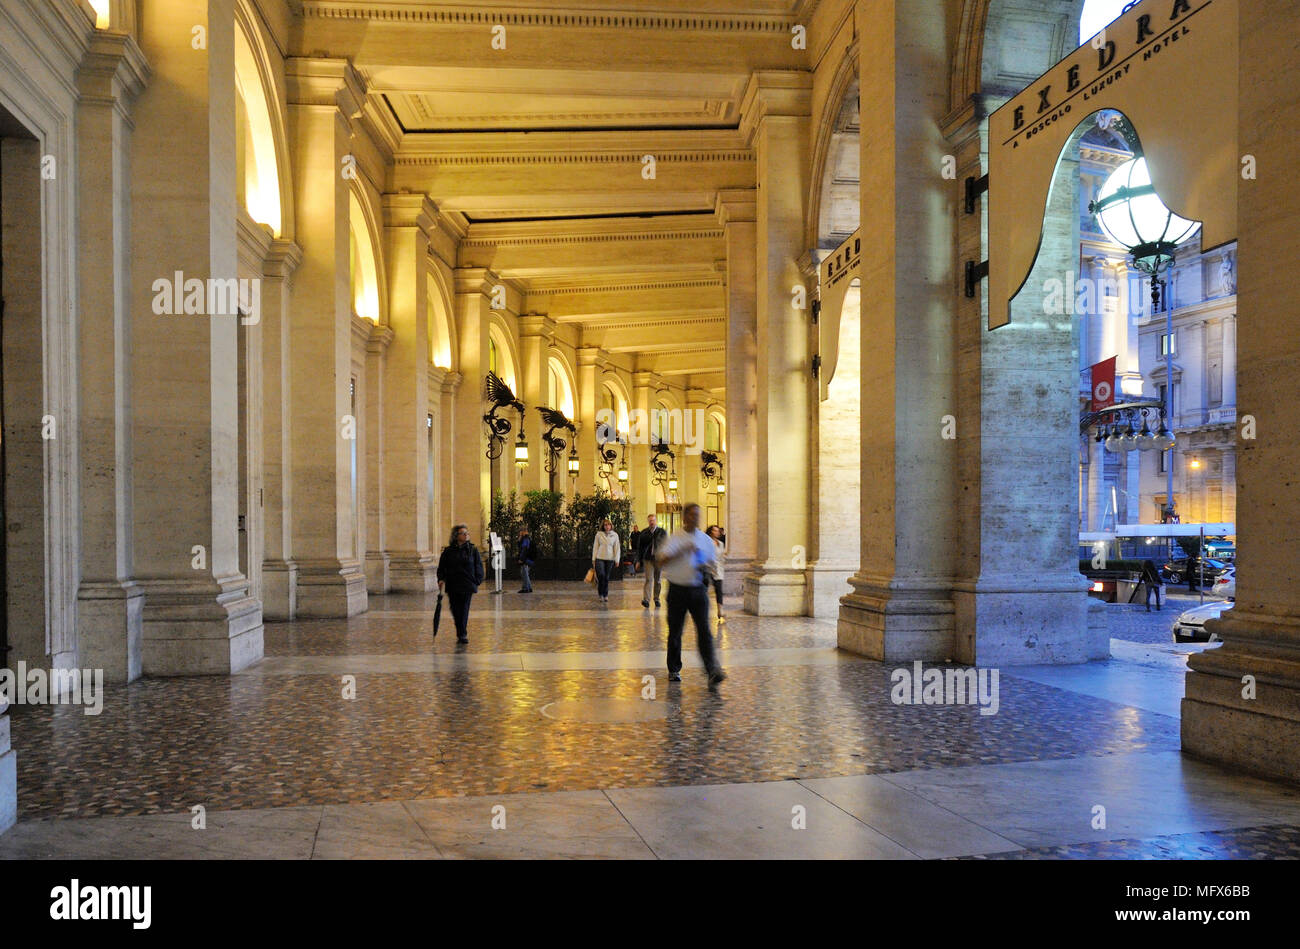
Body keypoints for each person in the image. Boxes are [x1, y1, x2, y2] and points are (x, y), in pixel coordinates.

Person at [656, 503, 725, 689]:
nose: (696, 519)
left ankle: (712, 670)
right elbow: (661, 561)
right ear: (685, 517)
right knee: (676, 632)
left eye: (698, 515)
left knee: (704, 631)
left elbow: (712, 563)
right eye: (693, 515)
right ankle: (674, 669)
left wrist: (704, 564)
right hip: (677, 590)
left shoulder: (705, 539)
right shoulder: (675, 538)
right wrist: (681, 552)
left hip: (698, 590)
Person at [437, 524, 484, 643]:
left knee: (464, 609)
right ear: (456, 536)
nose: (466, 535)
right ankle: (460, 630)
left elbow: (478, 566)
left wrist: (477, 580)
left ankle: (462, 634)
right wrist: (441, 579)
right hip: (453, 584)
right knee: (455, 609)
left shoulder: (473, 550)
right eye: (463, 533)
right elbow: (442, 567)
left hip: (467, 584)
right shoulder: (448, 551)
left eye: (467, 533)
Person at [638, 514, 667, 609]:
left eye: (653, 520)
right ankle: (646, 599)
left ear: (656, 521)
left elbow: (666, 544)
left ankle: (656, 598)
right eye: (650, 520)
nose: (651, 522)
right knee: (649, 579)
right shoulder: (644, 533)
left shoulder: (662, 532)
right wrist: (638, 560)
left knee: (658, 580)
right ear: (648, 521)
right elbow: (640, 547)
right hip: (648, 559)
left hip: (659, 559)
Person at [591, 519, 620, 604]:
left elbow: (617, 548)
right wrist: (593, 559)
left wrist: (617, 559)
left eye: (608, 525)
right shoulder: (599, 535)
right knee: (601, 575)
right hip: (600, 558)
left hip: (610, 559)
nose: (607, 526)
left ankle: (605, 594)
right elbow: (595, 547)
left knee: (606, 577)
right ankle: (600, 594)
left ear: (611, 526)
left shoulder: (615, 535)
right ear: (603, 526)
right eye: (605, 525)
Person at [706, 524, 726, 624]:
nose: (717, 532)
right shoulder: (706, 543)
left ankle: (720, 610)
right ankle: (703, 609)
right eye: (715, 530)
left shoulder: (721, 544)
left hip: (718, 570)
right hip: (708, 569)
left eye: (718, 531)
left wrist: (722, 568)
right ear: (710, 532)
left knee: (719, 590)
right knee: (705, 590)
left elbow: (722, 557)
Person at [517, 526, 535, 594]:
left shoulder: (526, 539)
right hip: (528, 558)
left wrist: (521, 559)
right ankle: (529, 587)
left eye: (520, 531)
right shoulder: (526, 538)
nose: (519, 533)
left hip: (525, 559)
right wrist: (519, 539)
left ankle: (525, 588)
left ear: (523, 531)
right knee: (525, 573)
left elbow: (524, 549)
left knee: (524, 573)